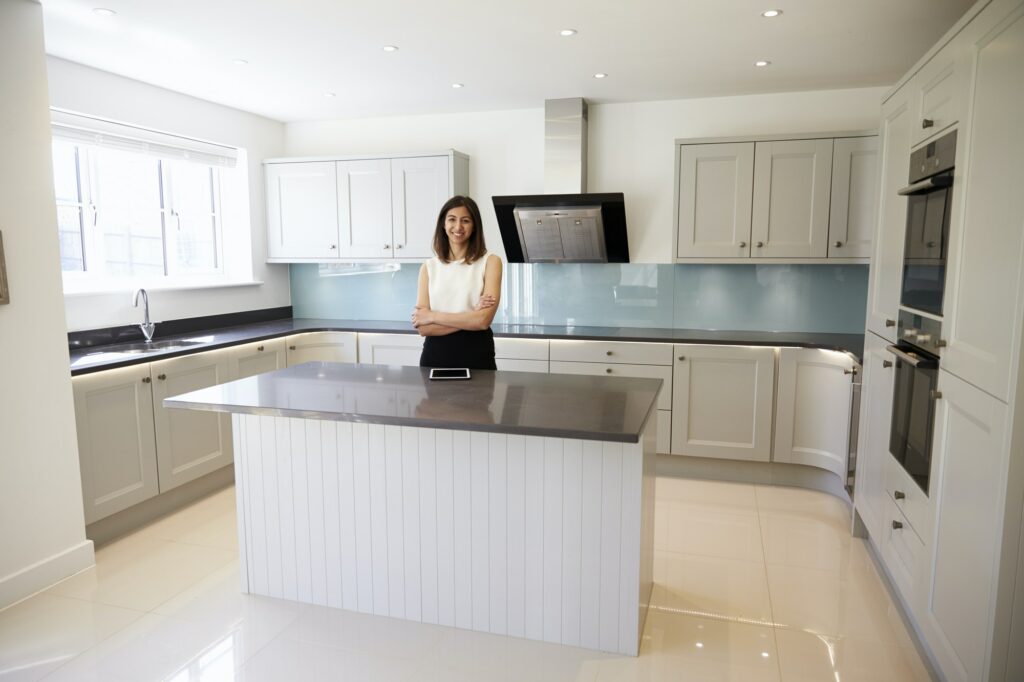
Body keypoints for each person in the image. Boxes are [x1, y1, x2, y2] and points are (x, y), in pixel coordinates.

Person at [412, 195, 502, 370]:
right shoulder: (429, 267)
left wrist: (433, 316)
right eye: (452, 219)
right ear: (443, 224)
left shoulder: (491, 262)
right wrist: (470, 316)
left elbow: (483, 321)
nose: (458, 227)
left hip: (477, 354)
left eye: (466, 221)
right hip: (435, 356)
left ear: (474, 226)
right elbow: (424, 328)